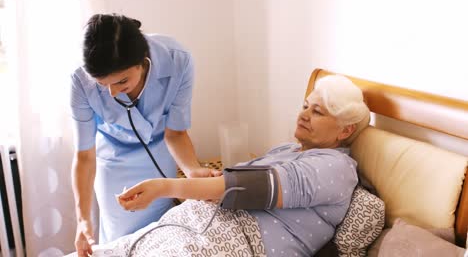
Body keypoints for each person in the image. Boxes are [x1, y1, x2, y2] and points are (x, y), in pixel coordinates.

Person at [116, 75, 371, 256]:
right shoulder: (287, 150)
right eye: (305, 106)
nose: (303, 115)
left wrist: (163, 187)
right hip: (191, 225)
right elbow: (233, 184)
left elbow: (251, 188)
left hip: (238, 242)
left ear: (345, 129)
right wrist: (209, 182)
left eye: (318, 112)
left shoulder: (337, 167)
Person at [70, 13, 221, 257]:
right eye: (102, 84)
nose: (112, 93)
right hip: (114, 167)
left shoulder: (178, 60)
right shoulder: (79, 80)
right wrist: (82, 220)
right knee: (123, 244)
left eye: (121, 81)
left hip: (161, 155)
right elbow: (84, 157)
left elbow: (176, 134)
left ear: (143, 61)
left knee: (166, 236)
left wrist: (193, 175)